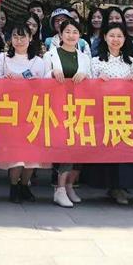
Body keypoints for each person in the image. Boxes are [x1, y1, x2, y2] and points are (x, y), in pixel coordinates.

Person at [0, 23, 49, 202]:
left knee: (32, 155)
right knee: (16, 154)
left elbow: (46, 87)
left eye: (23, 36)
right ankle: (13, 186)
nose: (19, 41)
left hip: (32, 111)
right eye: (15, 37)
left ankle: (25, 185)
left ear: (30, 38)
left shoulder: (39, 61)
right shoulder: (3, 58)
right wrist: (4, 80)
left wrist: (35, 83)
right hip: (10, 111)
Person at [44, 19, 92, 208]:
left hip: (79, 106)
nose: (71, 35)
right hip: (57, 106)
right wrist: (52, 74)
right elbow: (41, 79)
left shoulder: (84, 57)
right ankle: (60, 189)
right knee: (65, 147)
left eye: (75, 32)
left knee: (77, 148)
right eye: (67, 32)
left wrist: (86, 76)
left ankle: (69, 185)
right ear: (60, 34)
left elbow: (93, 80)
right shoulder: (51, 55)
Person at [90, 23, 133, 205]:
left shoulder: (131, 61)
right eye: (112, 35)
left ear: (125, 39)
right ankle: (110, 186)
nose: (115, 39)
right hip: (103, 112)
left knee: (124, 151)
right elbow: (88, 87)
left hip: (126, 113)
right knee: (107, 150)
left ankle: (122, 187)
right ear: (104, 37)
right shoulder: (96, 61)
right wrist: (98, 82)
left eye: (119, 36)